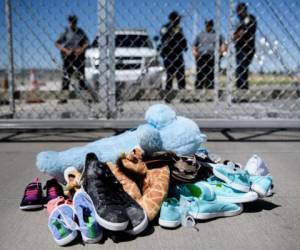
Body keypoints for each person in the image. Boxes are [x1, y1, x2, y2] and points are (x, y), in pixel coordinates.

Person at [55, 15, 89, 104]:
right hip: (68, 57)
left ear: (76, 22)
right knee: (66, 77)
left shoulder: (80, 32)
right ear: (69, 22)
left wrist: (81, 49)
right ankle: (64, 98)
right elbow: (57, 44)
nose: (72, 23)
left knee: (81, 76)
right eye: (71, 21)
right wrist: (66, 50)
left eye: (74, 22)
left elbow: (86, 42)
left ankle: (85, 97)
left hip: (79, 56)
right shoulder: (65, 32)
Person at [192, 20, 225, 89]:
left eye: (209, 25)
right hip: (202, 57)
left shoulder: (217, 34)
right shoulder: (200, 34)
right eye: (207, 25)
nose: (208, 26)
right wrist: (195, 53)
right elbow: (194, 45)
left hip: (212, 57)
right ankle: (198, 93)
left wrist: (222, 53)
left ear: (212, 25)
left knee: (211, 75)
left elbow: (224, 43)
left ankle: (210, 93)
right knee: (200, 75)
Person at [160, 11, 188, 91]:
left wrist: (185, 46)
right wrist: (171, 31)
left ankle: (182, 93)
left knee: (181, 74)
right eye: (178, 18)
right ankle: (168, 93)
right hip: (169, 54)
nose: (179, 20)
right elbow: (163, 35)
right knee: (170, 74)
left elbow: (183, 39)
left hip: (178, 53)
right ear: (173, 19)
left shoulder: (179, 28)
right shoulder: (165, 27)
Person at [234, 2, 256, 90]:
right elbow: (236, 35)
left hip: (247, 48)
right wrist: (236, 35)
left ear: (242, 10)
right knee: (241, 68)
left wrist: (237, 35)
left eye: (238, 12)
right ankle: (241, 88)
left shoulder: (249, 18)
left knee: (241, 68)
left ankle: (242, 89)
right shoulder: (240, 22)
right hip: (240, 48)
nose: (237, 14)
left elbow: (241, 32)